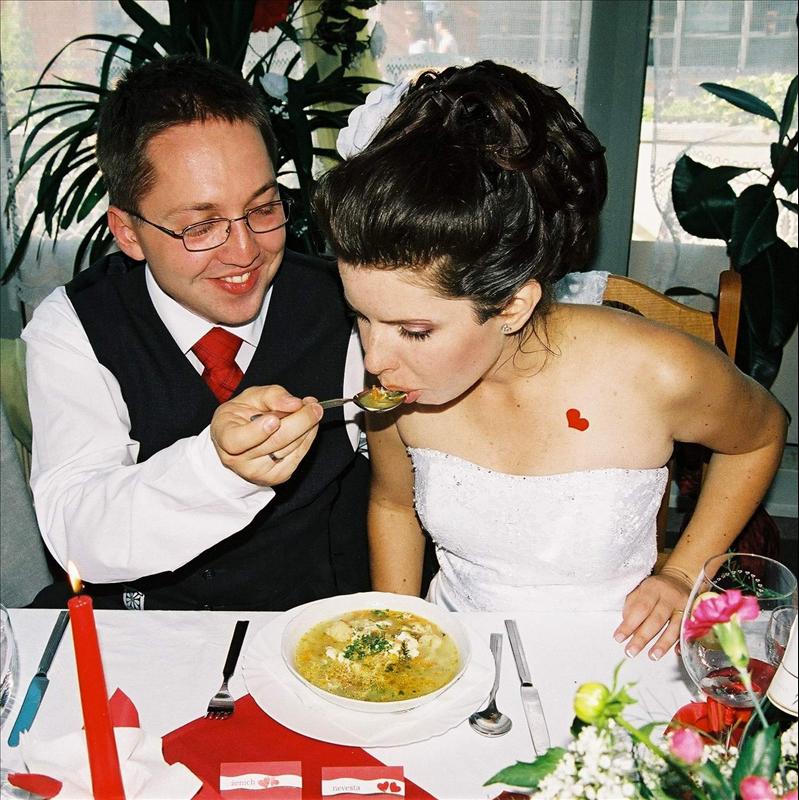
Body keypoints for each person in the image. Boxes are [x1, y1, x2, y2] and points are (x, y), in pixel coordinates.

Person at [313, 61, 788, 659]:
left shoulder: (654, 371)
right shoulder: (397, 385)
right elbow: (392, 503)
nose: (376, 358)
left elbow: (760, 434)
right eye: (361, 316)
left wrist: (682, 571)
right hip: (457, 652)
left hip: (617, 658)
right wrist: (398, 632)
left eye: (414, 330)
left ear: (512, 305)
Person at [22, 55, 370, 610]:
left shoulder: (351, 303)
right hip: (142, 630)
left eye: (263, 208)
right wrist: (216, 469)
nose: (244, 251)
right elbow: (76, 530)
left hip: (308, 628)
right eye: (201, 225)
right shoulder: (74, 325)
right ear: (128, 233)